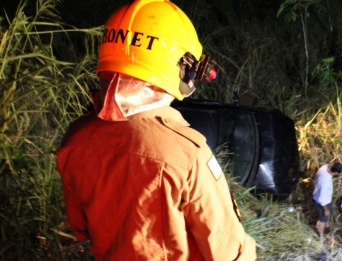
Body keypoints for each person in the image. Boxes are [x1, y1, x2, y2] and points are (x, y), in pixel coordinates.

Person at [56, 1, 256, 260]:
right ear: (179, 68)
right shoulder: (187, 155)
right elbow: (228, 250)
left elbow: (80, 227)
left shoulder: (75, 139)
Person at [312, 163, 342, 239]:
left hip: (325, 199)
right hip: (322, 202)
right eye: (340, 173)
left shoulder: (324, 167)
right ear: (336, 173)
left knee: (328, 214)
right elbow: (321, 199)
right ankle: (321, 236)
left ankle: (327, 227)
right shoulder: (326, 182)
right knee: (323, 219)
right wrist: (325, 209)